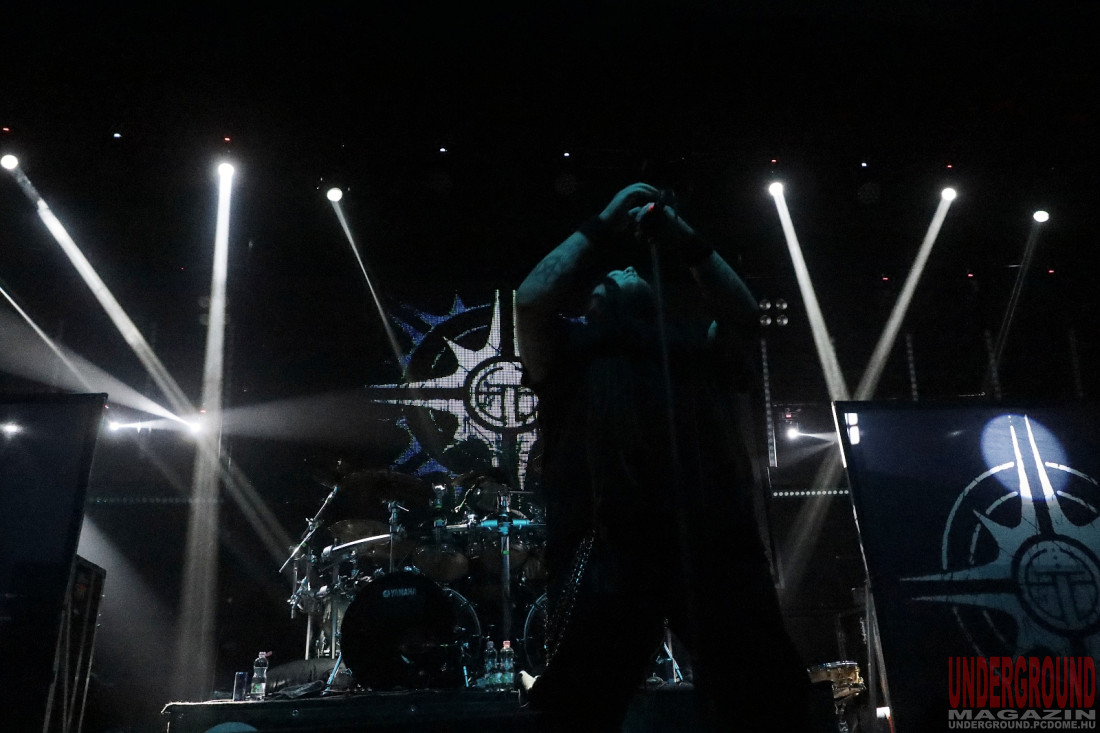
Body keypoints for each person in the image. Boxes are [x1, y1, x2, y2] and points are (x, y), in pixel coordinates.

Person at [515, 183, 817, 731]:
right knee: (579, 708)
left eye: (633, 270)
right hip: (605, 547)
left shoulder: (694, 348)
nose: (625, 269)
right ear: (590, 306)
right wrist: (608, 215)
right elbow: (532, 298)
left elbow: (744, 315)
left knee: (764, 698)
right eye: (610, 275)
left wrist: (679, 233)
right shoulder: (569, 357)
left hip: (711, 540)